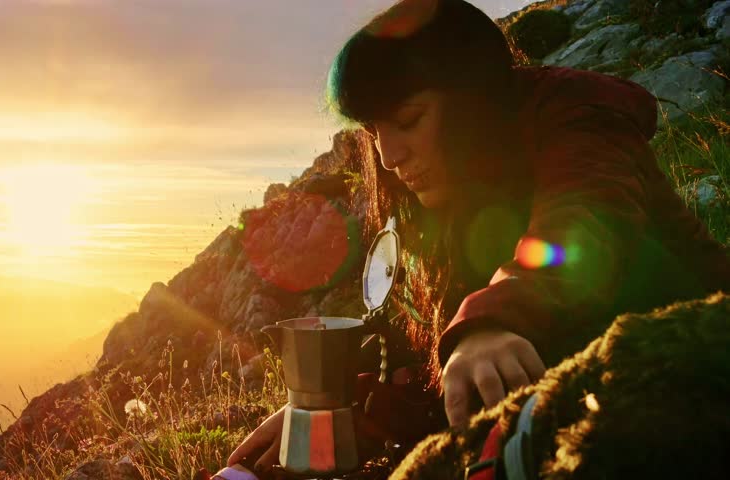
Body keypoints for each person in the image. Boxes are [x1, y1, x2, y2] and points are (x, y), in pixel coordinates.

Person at [220, 0, 730, 476]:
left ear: (472, 99)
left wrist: (492, 320)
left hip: (694, 369)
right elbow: (442, 377)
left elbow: (587, 221)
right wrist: (343, 412)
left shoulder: (576, 115)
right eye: (374, 131)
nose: (388, 157)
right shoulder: (442, 201)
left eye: (408, 121)